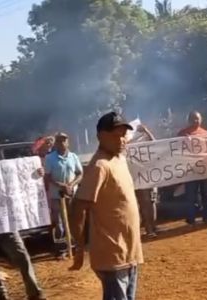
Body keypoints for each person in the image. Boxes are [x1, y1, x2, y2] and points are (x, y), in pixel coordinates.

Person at [70, 111, 143, 300]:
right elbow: (78, 208)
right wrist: (79, 247)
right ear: (101, 136)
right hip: (112, 254)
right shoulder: (99, 166)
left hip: (130, 251)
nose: (122, 140)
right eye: (115, 135)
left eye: (123, 135)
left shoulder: (120, 159)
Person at [0, 140, 45, 300]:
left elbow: (21, 178)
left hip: (7, 221)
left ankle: (34, 292)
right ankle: (0, 293)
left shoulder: (1, 169)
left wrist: (36, 173)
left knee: (22, 255)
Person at [44, 132, 83, 259]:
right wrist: (61, 185)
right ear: (56, 143)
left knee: (73, 221)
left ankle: (74, 247)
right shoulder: (50, 158)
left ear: (68, 142)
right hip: (56, 195)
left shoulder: (73, 157)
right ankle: (61, 251)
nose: (62, 143)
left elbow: (80, 173)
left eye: (64, 140)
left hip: (71, 194)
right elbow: (48, 176)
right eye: (59, 141)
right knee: (59, 224)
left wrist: (71, 185)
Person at [178, 111, 207, 225]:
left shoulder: (205, 133)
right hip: (190, 170)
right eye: (193, 119)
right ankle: (191, 218)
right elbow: (176, 150)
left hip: (204, 169)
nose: (195, 121)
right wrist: (183, 140)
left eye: (197, 119)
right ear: (188, 120)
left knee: (206, 193)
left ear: (201, 119)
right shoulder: (182, 134)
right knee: (191, 195)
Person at [129, 124, 158, 238]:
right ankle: (149, 229)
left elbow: (156, 144)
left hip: (150, 175)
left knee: (152, 201)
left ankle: (153, 226)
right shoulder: (128, 142)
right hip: (139, 177)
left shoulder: (146, 138)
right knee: (144, 202)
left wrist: (146, 130)